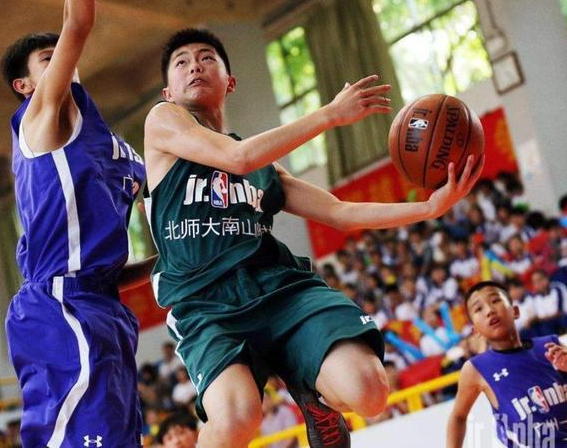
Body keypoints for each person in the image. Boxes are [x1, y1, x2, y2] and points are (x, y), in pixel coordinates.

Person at [144, 28, 483, 448]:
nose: (194, 65)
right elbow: (237, 157)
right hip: (207, 304)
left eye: (206, 57)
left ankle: (316, 401)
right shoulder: (163, 121)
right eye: (182, 62)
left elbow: (340, 213)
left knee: (370, 392)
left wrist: (429, 208)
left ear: (230, 81)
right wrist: (330, 114)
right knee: (235, 420)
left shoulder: (265, 168)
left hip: (278, 288)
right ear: (168, 92)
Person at [0, 0, 146, 446]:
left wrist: (169, 261)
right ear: (24, 85)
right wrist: (72, 31)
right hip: (58, 305)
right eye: (49, 58)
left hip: (104, 303)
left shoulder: (111, 146)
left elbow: (100, 261)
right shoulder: (42, 118)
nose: (65, 58)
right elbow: (78, 21)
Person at [447, 281, 567, 448]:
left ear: (515, 311)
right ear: (475, 331)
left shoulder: (551, 345)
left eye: (495, 300)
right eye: (478, 309)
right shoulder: (476, 368)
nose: (489, 310)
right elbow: (458, 417)